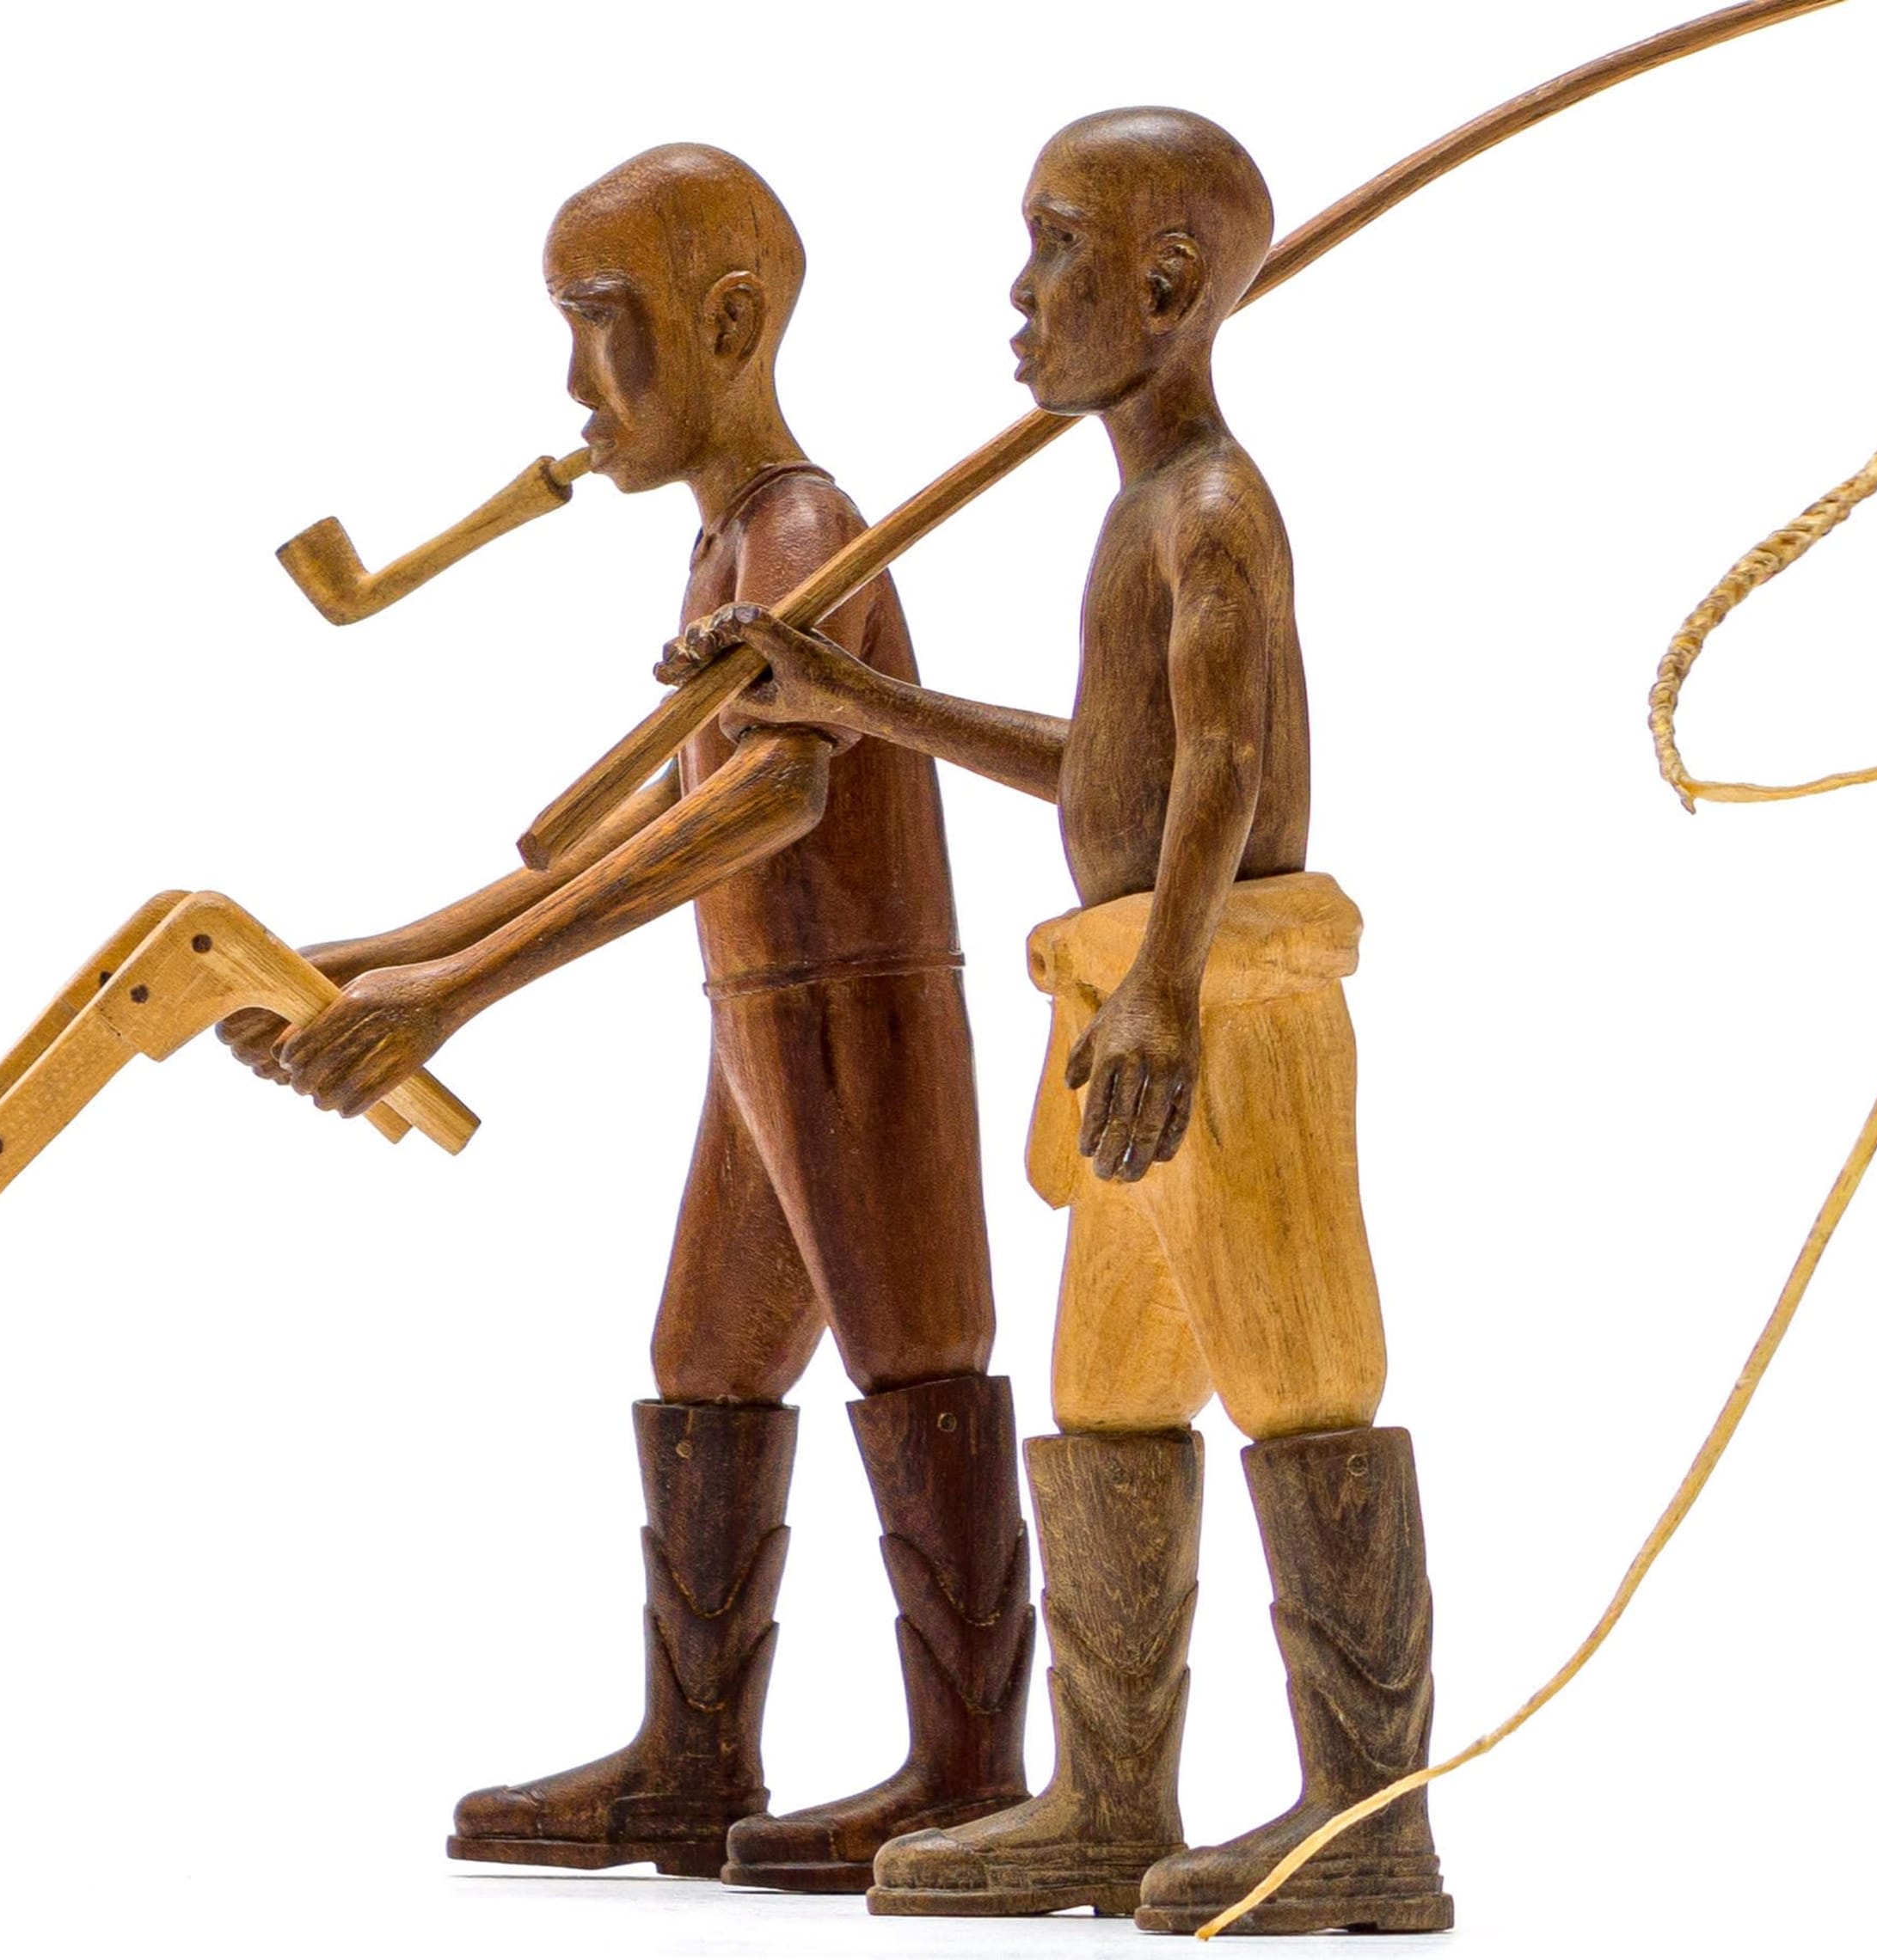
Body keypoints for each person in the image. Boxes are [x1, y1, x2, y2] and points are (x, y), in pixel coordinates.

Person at [669, 108, 1454, 1934]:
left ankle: (1368, 1823)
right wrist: (849, 693)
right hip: (1126, 1008)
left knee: (1303, 1381)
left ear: (1168, 290)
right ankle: (1108, 1800)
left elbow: (1226, 763)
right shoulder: (1142, 506)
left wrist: (1170, 984)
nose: (1020, 298)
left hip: (1221, 1011)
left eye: (1057, 252)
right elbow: (1112, 767)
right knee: (1109, 1398)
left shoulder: (1212, 510)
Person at [225, 144, 1032, 1894]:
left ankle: (970, 1774)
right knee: (706, 1364)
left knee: (917, 1360)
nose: (575, 380)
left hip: (857, 1016)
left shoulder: (801, 535)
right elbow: (634, 831)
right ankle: (693, 1759)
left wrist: (457, 992)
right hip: (764, 1020)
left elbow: (764, 804)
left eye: (605, 325)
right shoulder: (727, 545)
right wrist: (380, 960)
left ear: (730, 324)